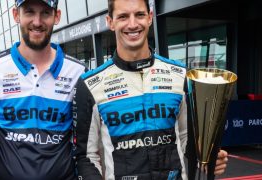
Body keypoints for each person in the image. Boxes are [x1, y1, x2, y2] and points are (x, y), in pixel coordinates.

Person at [73, 0, 228, 179]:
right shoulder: (91, 84)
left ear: (150, 17)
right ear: (110, 22)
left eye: (139, 14)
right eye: (123, 16)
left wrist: (207, 158)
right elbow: (86, 157)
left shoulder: (179, 74)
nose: (132, 24)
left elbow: (187, 139)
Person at [0, 0, 86, 179]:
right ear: (16, 15)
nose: (37, 21)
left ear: (56, 16)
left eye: (45, 13)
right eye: (29, 12)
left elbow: (87, 140)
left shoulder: (78, 73)